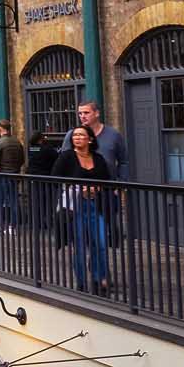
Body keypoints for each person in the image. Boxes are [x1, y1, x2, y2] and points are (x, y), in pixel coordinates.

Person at [53, 123, 112, 294]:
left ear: (90, 139)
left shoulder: (98, 158)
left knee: (99, 243)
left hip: (95, 206)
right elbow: (54, 177)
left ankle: (98, 279)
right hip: (74, 206)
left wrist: (96, 188)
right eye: (75, 135)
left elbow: (106, 180)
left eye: (81, 135)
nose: (77, 138)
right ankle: (81, 282)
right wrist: (77, 187)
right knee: (78, 246)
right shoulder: (67, 157)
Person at [59, 101, 129, 178]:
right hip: (79, 185)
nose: (82, 116)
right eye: (80, 113)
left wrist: (122, 184)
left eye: (86, 113)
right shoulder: (72, 135)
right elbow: (63, 161)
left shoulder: (113, 135)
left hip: (108, 184)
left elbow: (123, 162)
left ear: (97, 113)